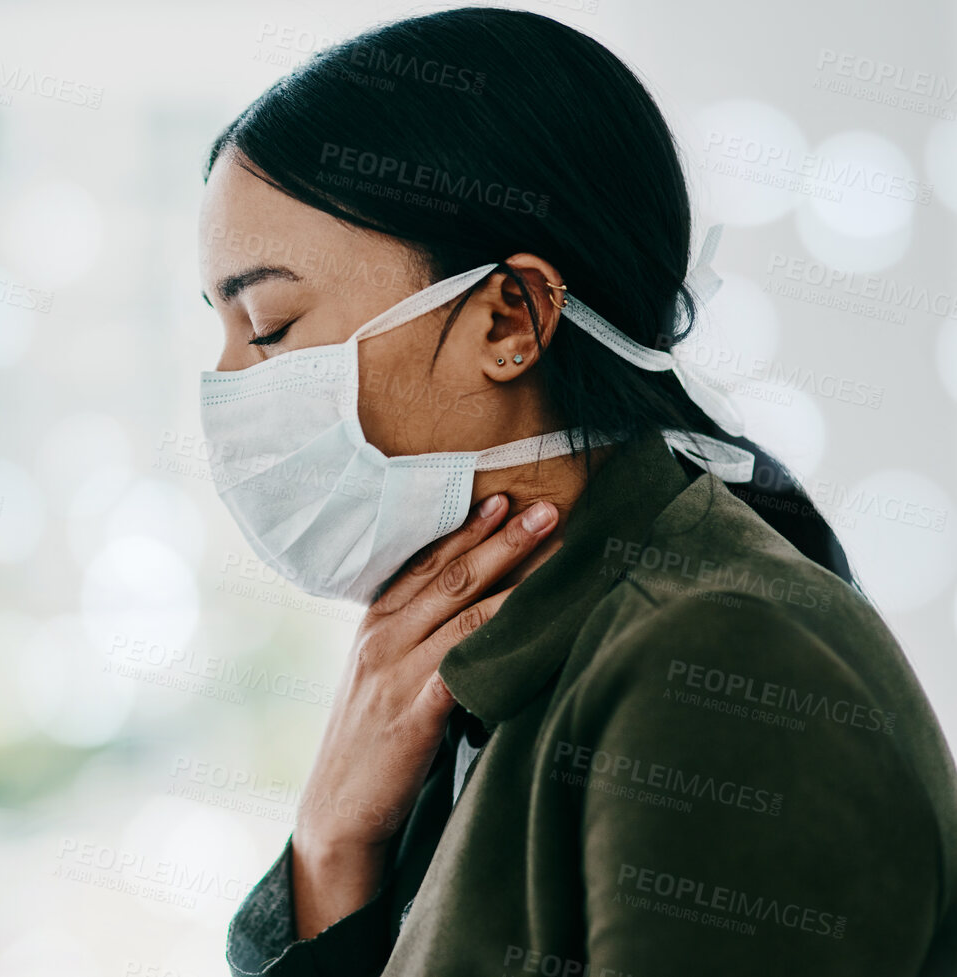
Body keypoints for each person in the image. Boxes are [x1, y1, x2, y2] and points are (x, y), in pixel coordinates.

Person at [195, 7, 957, 975]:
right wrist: (332, 853)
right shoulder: (502, 671)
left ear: (511, 317)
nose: (227, 385)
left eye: (266, 324)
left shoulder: (718, 664)